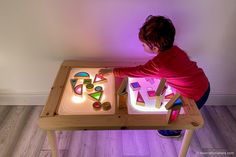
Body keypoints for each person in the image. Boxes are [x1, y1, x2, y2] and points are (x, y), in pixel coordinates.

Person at [99, 15, 210, 138]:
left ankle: (172, 132)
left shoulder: (159, 65)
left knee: (176, 117)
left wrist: (113, 71)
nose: (143, 47)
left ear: (155, 48)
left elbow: (138, 71)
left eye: (144, 45)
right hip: (203, 83)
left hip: (195, 95)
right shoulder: (175, 49)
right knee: (174, 109)